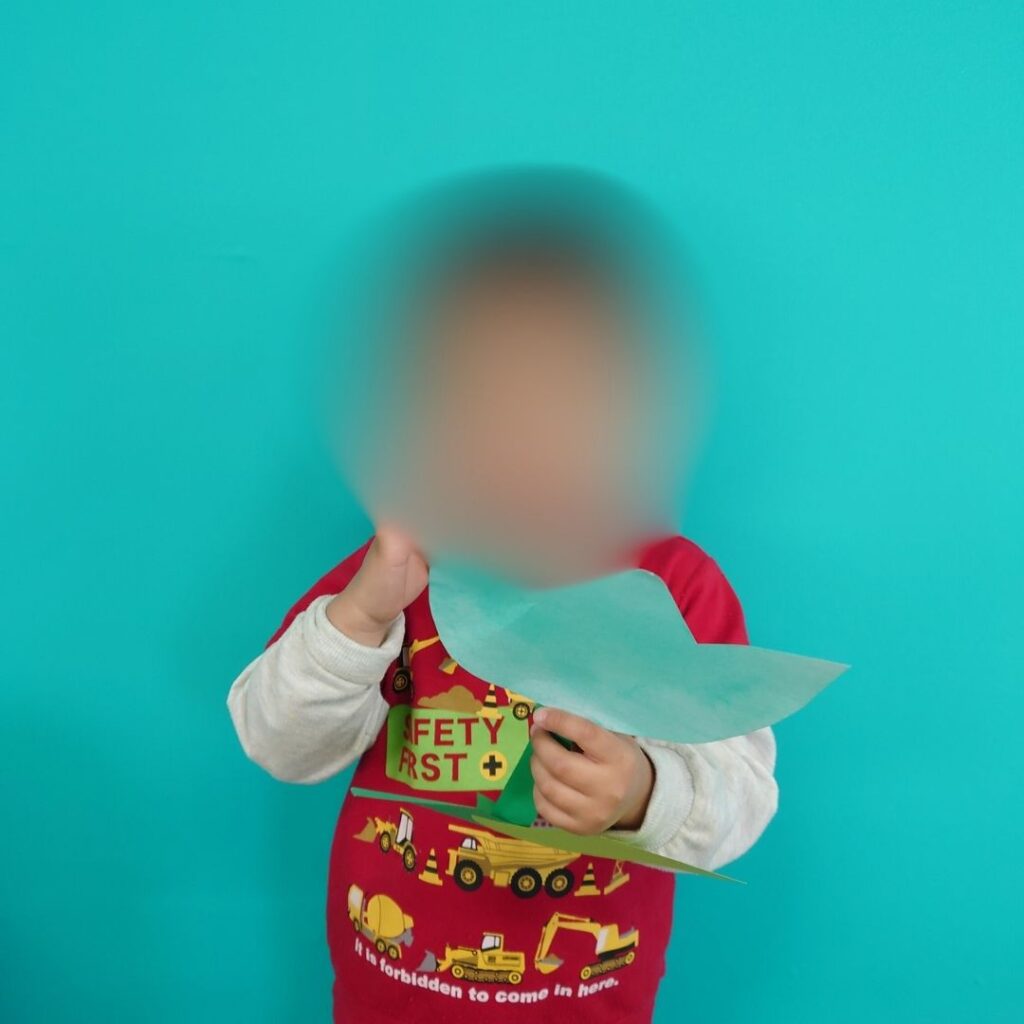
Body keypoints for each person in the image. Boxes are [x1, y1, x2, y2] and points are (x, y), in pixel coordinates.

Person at [228, 169, 778, 1023]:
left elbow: (740, 798)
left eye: (562, 401)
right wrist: (361, 616)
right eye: (481, 401)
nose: (523, 442)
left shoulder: (672, 589)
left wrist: (642, 791)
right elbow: (278, 744)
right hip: (388, 1001)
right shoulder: (397, 569)